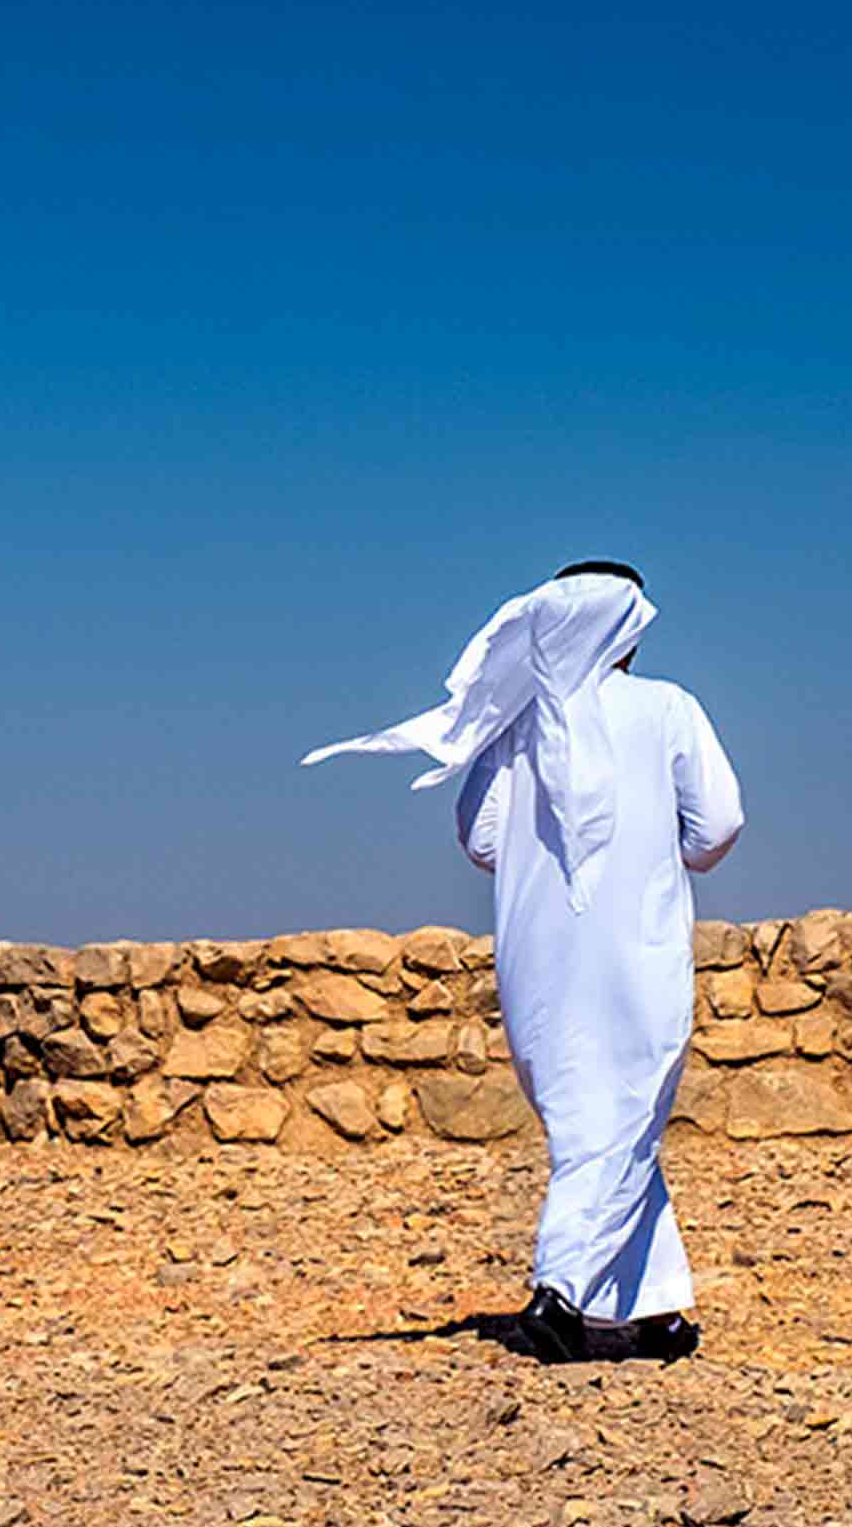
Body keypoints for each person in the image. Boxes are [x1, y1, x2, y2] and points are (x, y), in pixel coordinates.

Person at [303, 560, 744, 1363]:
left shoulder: (514, 727)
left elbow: (479, 843)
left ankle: (650, 1311)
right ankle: (562, 1291)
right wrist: (651, 855)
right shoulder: (669, 709)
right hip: (636, 950)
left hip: (539, 959)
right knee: (621, 1118)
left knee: (597, 1122)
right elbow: (716, 829)